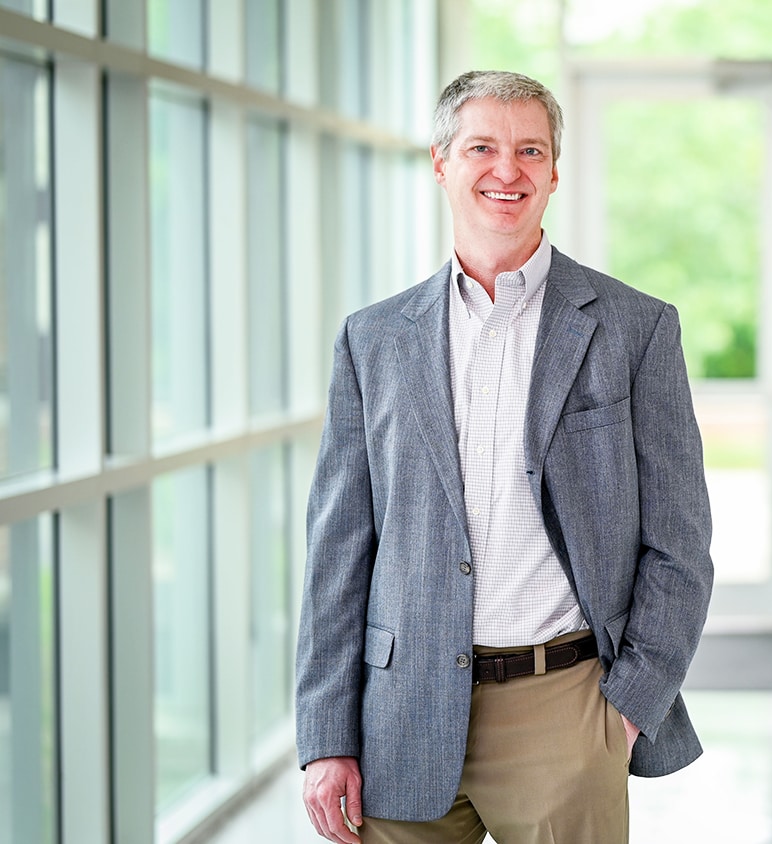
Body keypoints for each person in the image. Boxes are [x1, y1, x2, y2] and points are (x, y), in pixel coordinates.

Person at [294, 69, 715, 844]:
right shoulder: (374, 340)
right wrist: (326, 735)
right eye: (482, 147)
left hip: (565, 707)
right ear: (441, 162)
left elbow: (680, 543)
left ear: (555, 171)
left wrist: (626, 709)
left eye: (530, 150)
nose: (506, 170)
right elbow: (339, 549)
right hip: (402, 710)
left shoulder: (634, 329)